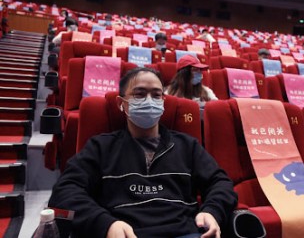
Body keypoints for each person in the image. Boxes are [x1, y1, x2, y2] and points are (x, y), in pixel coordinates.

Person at [48, 67, 237, 238]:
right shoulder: (101, 146)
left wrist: (212, 211)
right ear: (122, 103)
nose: (149, 101)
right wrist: (105, 224)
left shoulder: (187, 145)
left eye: (156, 95)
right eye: (139, 94)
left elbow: (220, 183)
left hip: (185, 232)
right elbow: (65, 191)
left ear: (163, 102)